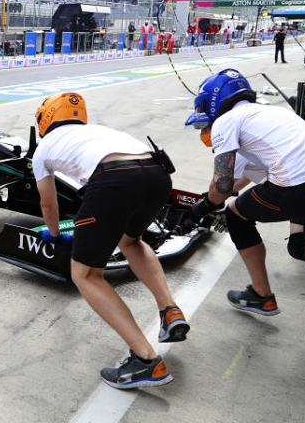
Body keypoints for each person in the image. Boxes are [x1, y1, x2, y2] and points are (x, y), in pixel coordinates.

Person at [32, 93, 188, 390]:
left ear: (46, 117)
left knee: (86, 275)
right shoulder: (98, 131)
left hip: (114, 180)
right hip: (156, 174)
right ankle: (170, 311)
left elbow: (49, 206)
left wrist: (53, 233)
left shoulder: (44, 149)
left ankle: (145, 362)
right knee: (132, 241)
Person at [184, 69, 305, 324]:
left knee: (236, 215)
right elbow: (249, 175)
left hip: (302, 187)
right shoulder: (272, 114)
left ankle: (261, 294)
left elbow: (221, 186)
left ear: (213, 100)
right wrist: (220, 194)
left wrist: (204, 206)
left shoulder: (226, 121)